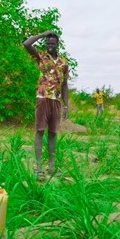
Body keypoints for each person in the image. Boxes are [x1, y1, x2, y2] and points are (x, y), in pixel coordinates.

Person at [23, 30, 70, 180]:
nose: (49, 45)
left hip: (56, 100)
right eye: (48, 43)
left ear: (57, 45)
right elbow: (26, 43)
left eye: (52, 43)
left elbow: (65, 85)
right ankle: (38, 167)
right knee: (40, 131)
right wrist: (44, 34)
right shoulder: (41, 56)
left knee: (53, 134)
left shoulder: (64, 62)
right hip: (42, 97)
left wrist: (66, 105)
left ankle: (52, 166)